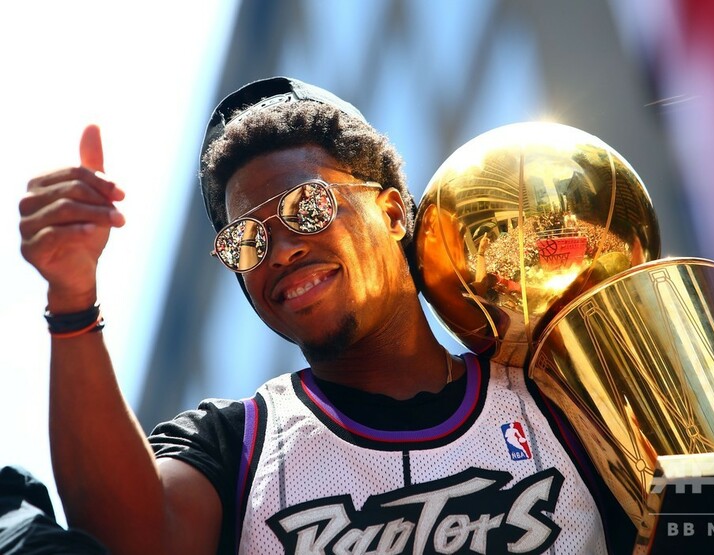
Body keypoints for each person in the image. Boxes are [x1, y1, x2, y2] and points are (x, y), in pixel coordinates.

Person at [18, 76, 633, 554]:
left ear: (392, 213)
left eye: (307, 206)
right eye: (247, 241)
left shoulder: (561, 400)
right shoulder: (233, 446)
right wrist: (72, 298)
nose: (280, 250)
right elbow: (131, 543)